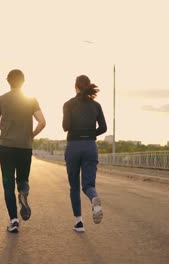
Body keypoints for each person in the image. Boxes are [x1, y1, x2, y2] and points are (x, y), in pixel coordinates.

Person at [0, 69, 46, 233]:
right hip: (24, 146)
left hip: (6, 147)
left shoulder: (1, 99)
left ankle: (14, 221)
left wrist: (5, 125)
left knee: (8, 184)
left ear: (8, 81)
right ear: (23, 81)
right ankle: (23, 193)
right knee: (22, 179)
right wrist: (31, 135)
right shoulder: (31, 100)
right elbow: (42, 122)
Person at [62, 75, 107, 232]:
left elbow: (65, 126)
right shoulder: (96, 105)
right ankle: (94, 198)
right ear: (88, 86)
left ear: (75, 87)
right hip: (90, 147)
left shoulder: (68, 104)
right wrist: (90, 133)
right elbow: (103, 128)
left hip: (73, 146)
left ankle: (79, 222)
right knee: (88, 185)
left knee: (74, 186)